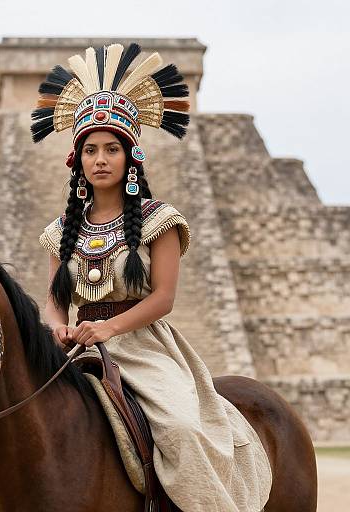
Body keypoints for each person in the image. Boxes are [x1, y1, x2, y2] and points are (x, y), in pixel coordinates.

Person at [35, 43, 271, 512]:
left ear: (130, 156)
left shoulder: (160, 219)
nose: (100, 159)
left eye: (111, 149)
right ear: (77, 160)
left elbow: (163, 298)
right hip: (73, 347)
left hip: (143, 347)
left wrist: (108, 328)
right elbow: (54, 298)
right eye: (90, 150)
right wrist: (56, 328)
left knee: (182, 430)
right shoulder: (61, 231)